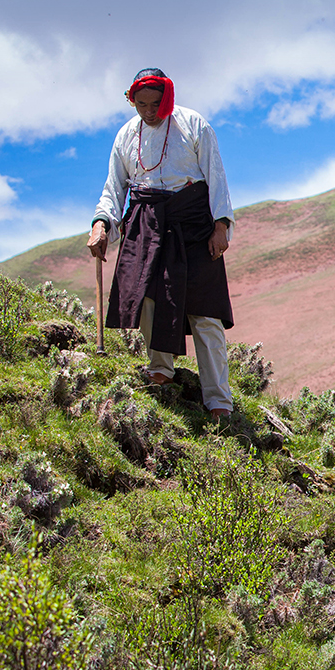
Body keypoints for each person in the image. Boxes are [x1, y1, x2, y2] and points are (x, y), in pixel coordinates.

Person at [87, 68, 235, 421]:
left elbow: (216, 175)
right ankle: (160, 370)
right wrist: (101, 224)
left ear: (167, 96)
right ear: (131, 100)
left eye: (156, 103)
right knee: (149, 297)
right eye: (142, 104)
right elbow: (114, 188)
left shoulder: (193, 124)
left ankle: (218, 399)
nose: (150, 111)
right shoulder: (126, 136)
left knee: (205, 311)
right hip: (146, 220)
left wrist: (221, 226)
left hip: (194, 222)